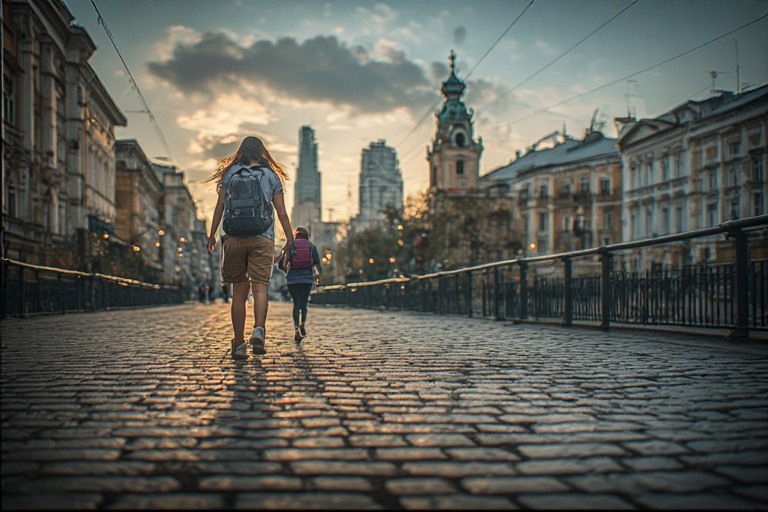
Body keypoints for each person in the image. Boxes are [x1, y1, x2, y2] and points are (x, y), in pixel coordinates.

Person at [206, 136, 293, 359]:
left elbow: (220, 207)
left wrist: (212, 235)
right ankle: (259, 330)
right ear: (263, 152)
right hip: (262, 237)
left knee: (239, 293)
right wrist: (290, 238)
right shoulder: (271, 175)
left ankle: (238, 344)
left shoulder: (230, 174)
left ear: (240, 152)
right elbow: (282, 213)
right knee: (260, 288)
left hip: (233, 237)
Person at [284, 227, 321, 342]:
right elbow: (317, 263)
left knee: (296, 304)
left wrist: (287, 272)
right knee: (303, 304)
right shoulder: (311, 246)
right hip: (306, 280)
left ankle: (296, 330)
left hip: (292, 280)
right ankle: (302, 325)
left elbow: (285, 263)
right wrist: (317, 276)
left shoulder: (292, 246)